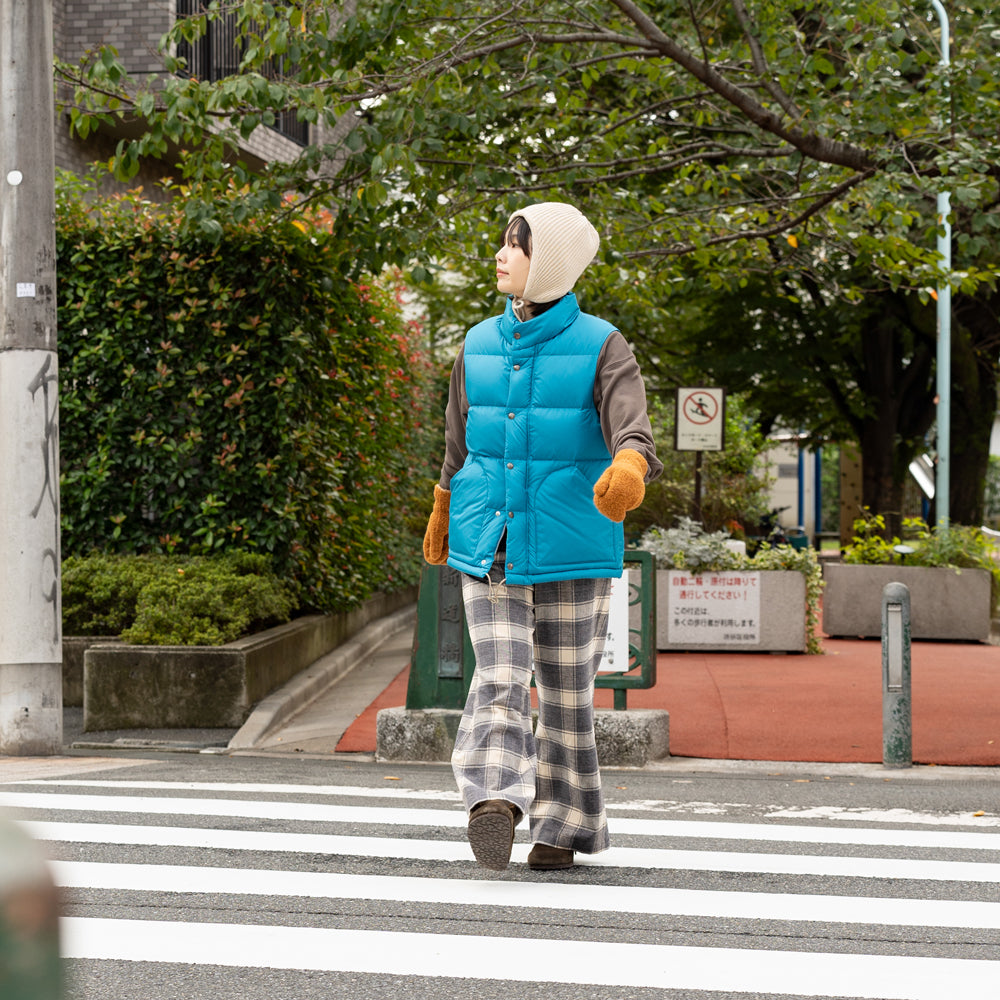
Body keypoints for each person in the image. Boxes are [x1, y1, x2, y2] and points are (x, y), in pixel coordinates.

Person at [422, 201, 661, 872]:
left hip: (574, 544)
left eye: (515, 246)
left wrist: (630, 466)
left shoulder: (603, 344)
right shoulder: (475, 343)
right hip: (489, 541)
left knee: (564, 692)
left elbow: (632, 430)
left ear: (549, 260)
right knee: (498, 674)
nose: (500, 255)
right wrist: (442, 506)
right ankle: (493, 800)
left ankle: (564, 827)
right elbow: (456, 443)